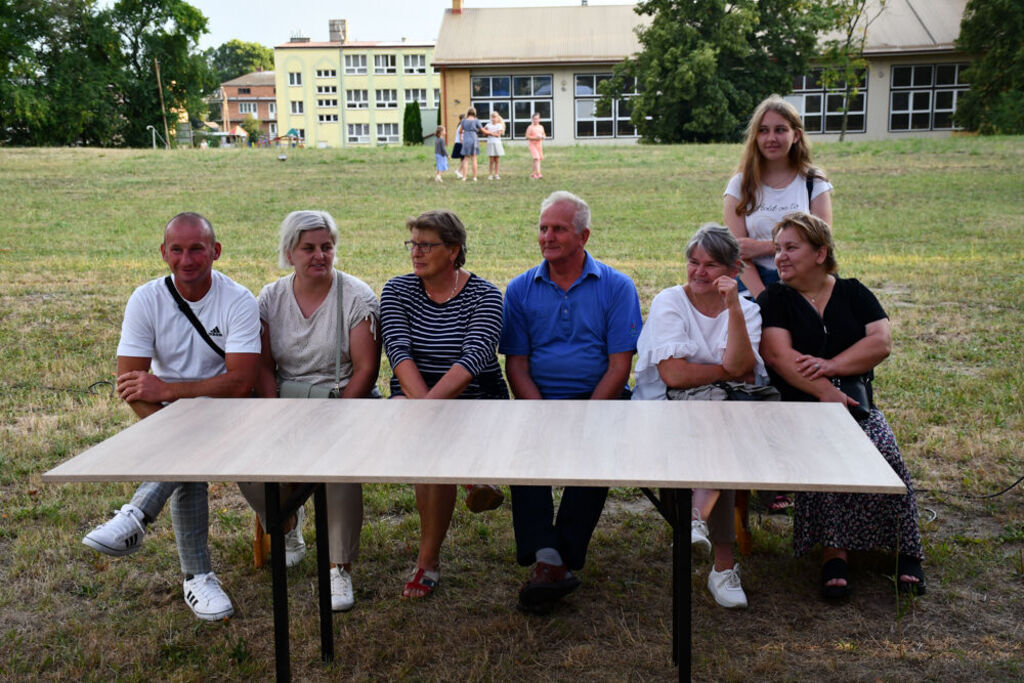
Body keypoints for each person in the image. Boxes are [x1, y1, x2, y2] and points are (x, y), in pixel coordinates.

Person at [81, 212, 261, 621]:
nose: (187, 259)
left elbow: (240, 382)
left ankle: (138, 517)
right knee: (188, 456)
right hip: (169, 416)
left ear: (215, 251)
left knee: (186, 448)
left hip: (231, 414)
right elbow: (130, 384)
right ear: (163, 253)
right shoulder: (145, 298)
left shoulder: (238, 299)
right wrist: (172, 423)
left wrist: (169, 392)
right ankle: (196, 578)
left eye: (197, 248)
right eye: (176, 250)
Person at [757, 211, 926, 600]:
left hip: (856, 402)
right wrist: (825, 393)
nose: (780, 256)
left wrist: (831, 366)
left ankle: (906, 549)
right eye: (778, 248)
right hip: (801, 407)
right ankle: (834, 553)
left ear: (820, 253)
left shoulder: (853, 292)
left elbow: (880, 343)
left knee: (885, 453)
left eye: (791, 248)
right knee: (822, 455)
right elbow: (780, 357)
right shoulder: (776, 299)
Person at [500, 191, 643, 613]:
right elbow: (517, 367)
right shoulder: (521, 288)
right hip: (538, 398)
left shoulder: (616, 287)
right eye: (543, 228)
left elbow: (620, 367)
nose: (547, 236)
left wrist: (587, 416)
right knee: (525, 455)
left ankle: (555, 561)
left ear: (584, 235)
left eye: (558, 229)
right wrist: (542, 412)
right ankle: (548, 556)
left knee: (594, 452)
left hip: (600, 396)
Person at [237, 210, 381, 612]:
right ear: (289, 253)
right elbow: (263, 365)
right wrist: (273, 413)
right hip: (284, 399)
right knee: (244, 461)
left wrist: (337, 416)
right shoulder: (270, 297)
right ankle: (286, 522)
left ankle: (338, 567)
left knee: (338, 468)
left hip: (343, 402)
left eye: (327, 246)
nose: (320, 255)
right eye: (309, 248)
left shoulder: (357, 296)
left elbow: (366, 370)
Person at [632, 224, 764, 608]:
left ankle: (695, 519)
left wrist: (734, 307)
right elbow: (674, 375)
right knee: (718, 431)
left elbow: (742, 365)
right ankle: (722, 565)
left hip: (724, 412)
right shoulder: (670, 301)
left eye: (711, 265)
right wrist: (726, 371)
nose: (699, 272)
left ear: (734, 270)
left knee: (717, 431)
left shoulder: (748, 311)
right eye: (693, 262)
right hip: (667, 405)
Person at [380, 209, 509, 599]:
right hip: (413, 394)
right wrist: (428, 409)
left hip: (475, 397)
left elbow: (472, 361)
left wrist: (428, 411)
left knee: (430, 446)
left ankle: (427, 562)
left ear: (453, 251)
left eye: (426, 245)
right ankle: (468, 484)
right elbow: (398, 353)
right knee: (431, 446)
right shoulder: (397, 291)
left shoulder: (485, 295)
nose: (416, 253)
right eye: (412, 244)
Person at [724, 94, 834, 300]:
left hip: (806, 282)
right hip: (753, 283)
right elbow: (738, 255)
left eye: (780, 130)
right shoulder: (739, 185)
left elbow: (822, 246)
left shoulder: (814, 182)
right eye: (763, 131)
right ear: (755, 137)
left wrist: (762, 247)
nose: (771, 138)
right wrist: (763, 297)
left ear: (796, 135)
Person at [458, 107, 484, 182]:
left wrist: (461, 138)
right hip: (473, 139)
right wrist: (491, 133)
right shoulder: (476, 121)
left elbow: (460, 131)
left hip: (466, 139)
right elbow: (482, 130)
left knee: (466, 159)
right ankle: (474, 177)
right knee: (474, 158)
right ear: (474, 113)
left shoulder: (463, 121)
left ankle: (464, 177)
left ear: (468, 113)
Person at [484, 111, 505, 180]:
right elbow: (484, 133)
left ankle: (496, 174)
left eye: (494, 117)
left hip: (497, 144)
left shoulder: (499, 125)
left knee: (497, 160)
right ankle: (490, 175)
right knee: (491, 160)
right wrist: (487, 132)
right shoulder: (488, 125)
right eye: (492, 117)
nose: (493, 119)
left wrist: (489, 132)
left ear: (497, 118)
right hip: (490, 143)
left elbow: (498, 135)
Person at [525, 113, 546, 179]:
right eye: (534, 119)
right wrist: (535, 138)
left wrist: (542, 137)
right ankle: (539, 174)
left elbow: (544, 135)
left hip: (539, 145)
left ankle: (533, 174)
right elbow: (527, 136)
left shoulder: (541, 127)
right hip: (532, 145)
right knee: (537, 158)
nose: (535, 120)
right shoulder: (530, 127)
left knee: (536, 159)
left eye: (537, 119)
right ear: (532, 119)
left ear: (539, 119)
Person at [452, 113, 465, 180]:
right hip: (460, 143)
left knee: (462, 159)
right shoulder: (461, 126)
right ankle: (458, 171)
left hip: (458, 143)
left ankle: (461, 173)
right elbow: (462, 136)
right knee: (464, 159)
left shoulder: (459, 125)